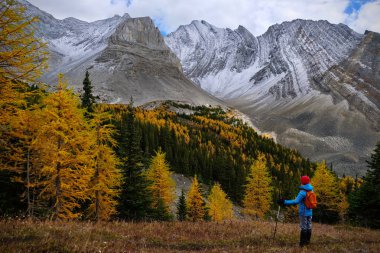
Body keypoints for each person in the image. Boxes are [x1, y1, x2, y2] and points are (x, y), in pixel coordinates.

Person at [278, 175, 313, 247]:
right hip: (310, 211)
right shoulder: (311, 189)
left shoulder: (303, 192)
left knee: (303, 227)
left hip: (303, 212)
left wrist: (284, 202)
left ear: (302, 182)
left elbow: (295, 201)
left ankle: (302, 245)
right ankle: (307, 242)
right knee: (309, 226)